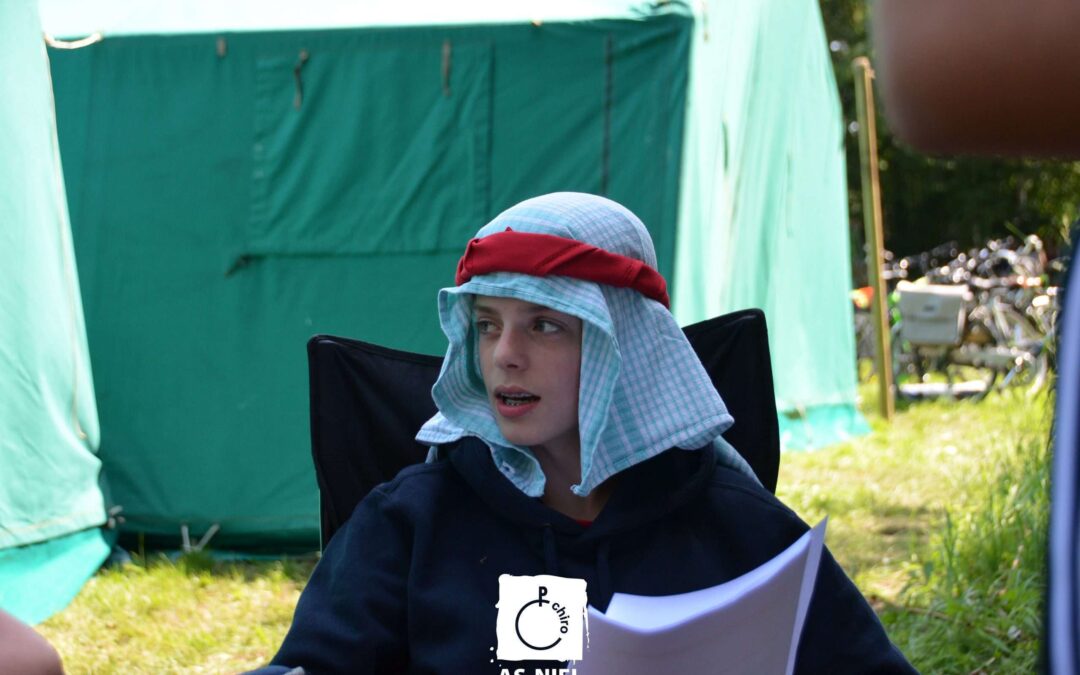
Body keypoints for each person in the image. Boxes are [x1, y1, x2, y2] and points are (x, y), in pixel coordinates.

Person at [250, 193, 915, 674]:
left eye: (545, 325)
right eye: (487, 324)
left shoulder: (739, 528)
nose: (504, 355)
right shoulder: (411, 523)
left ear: (626, 345)